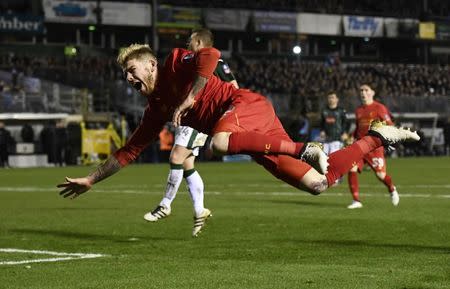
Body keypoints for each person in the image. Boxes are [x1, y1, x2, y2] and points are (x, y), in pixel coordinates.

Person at [57, 43, 420, 236]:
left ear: (149, 65)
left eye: (131, 72)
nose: (129, 80)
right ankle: (376, 138)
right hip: (247, 132)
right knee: (318, 184)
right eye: (125, 76)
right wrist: (91, 178)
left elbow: (211, 55)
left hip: (242, 105)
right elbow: (128, 151)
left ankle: (305, 148)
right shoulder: (154, 109)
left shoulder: (171, 63)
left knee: (218, 144)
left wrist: (191, 96)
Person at [144, 28, 239, 237]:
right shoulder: (191, 62)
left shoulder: (216, 63)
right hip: (189, 117)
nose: (187, 44)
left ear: (198, 41)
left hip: (200, 117)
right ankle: (199, 211)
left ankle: (165, 204)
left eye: (190, 40)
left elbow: (233, 87)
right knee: (187, 164)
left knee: (176, 156)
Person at [347, 84, 400, 209]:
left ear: (373, 92)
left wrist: (389, 139)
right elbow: (358, 128)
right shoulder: (358, 110)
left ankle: (392, 189)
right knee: (352, 169)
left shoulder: (379, 108)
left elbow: (390, 125)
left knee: (381, 175)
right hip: (360, 146)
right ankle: (356, 201)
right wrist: (352, 136)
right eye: (361, 90)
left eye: (366, 90)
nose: (363, 92)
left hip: (374, 148)